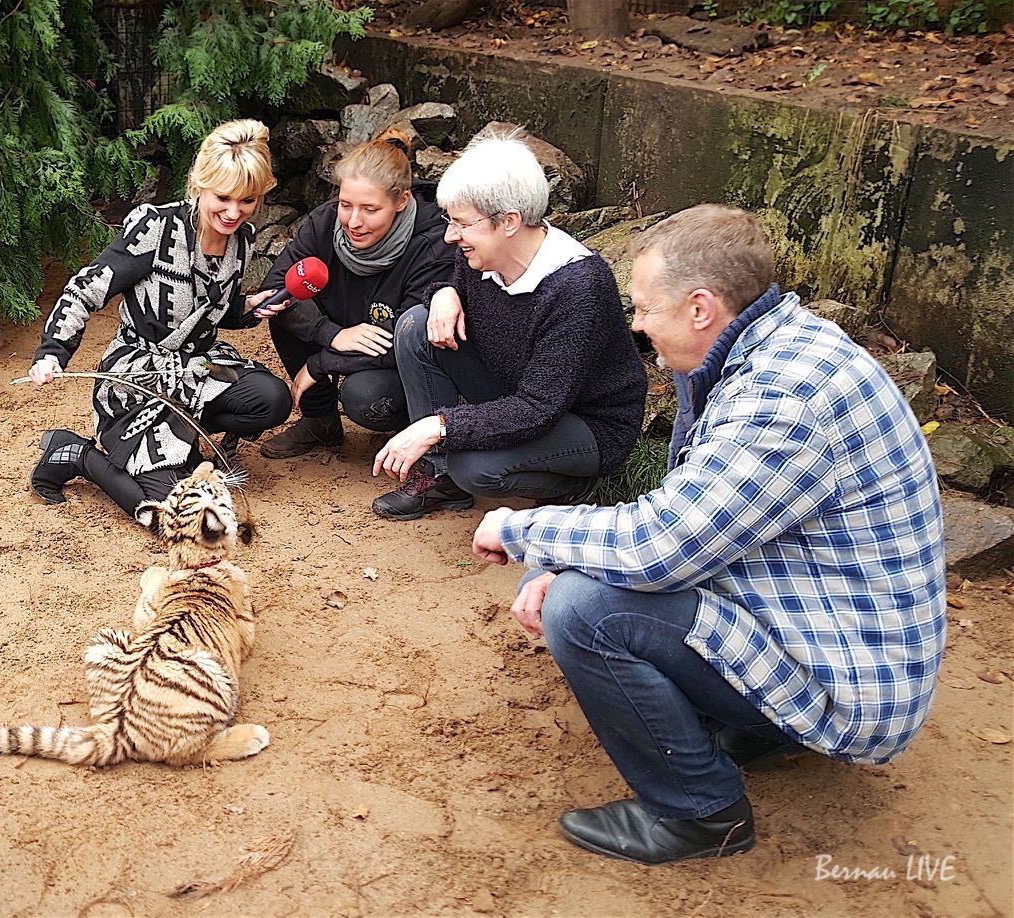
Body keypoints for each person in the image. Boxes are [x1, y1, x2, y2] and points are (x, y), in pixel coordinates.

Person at [470, 205, 946, 865]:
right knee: (570, 572)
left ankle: (699, 814)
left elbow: (659, 546)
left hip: (848, 680)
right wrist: (559, 555)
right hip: (819, 620)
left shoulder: (781, 401)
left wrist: (524, 529)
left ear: (700, 308)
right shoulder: (762, 352)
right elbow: (696, 518)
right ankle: (749, 727)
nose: (635, 324)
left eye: (644, 307)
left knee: (583, 610)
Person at [370, 127, 647, 520]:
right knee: (418, 326)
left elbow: (538, 408)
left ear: (510, 221)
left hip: (583, 422)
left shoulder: (577, 287)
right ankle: (439, 475)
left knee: (477, 469)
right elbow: (445, 281)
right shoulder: (484, 253)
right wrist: (442, 294)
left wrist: (439, 425)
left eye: (462, 224)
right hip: (514, 389)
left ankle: (572, 487)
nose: (451, 236)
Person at [28, 119, 293, 517]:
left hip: (199, 366)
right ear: (199, 184)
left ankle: (186, 439)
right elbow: (86, 288)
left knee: (272, 399)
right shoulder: (155, 226)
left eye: (248, 200)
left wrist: (249, 307)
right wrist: (52, 351)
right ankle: (76, 455)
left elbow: (208, 311)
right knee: (170, 511)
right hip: (138, 374)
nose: (234, 211)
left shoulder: (243, 240)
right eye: (223, 197)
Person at [257, 131, 458, 458]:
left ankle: (414, 427)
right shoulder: (325, 223)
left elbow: (409, 341)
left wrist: (322, 362)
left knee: (363, 397)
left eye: (370, 209)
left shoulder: (434, 243)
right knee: (287, 310)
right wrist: (330, 334)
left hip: (398, 356)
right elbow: (274, 289)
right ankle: (320, 420)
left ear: (402, 201)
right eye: (346, 204)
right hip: (347, 332)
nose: (353, 221)